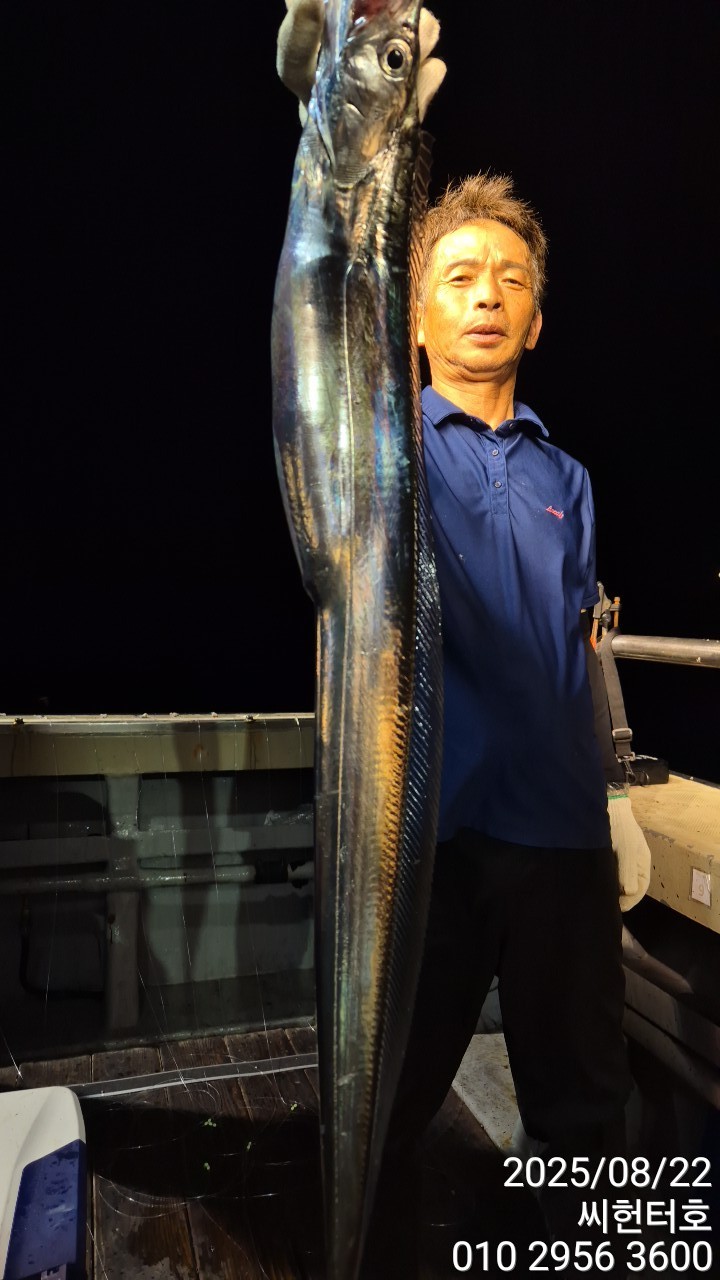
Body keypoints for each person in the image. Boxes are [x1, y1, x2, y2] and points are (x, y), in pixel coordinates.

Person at [276, 3, 652, 1273]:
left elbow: (578, 645)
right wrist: (333, 113)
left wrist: (616, 795)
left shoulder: (569, 476)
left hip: (563, 844)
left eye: (512, 281)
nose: (487, 296)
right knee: (384, 1107)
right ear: (413, 317)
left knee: (584, 1117)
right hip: (423, 843)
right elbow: (330, 284)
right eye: (457, 277)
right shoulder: (381, 447)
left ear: (537, 321)